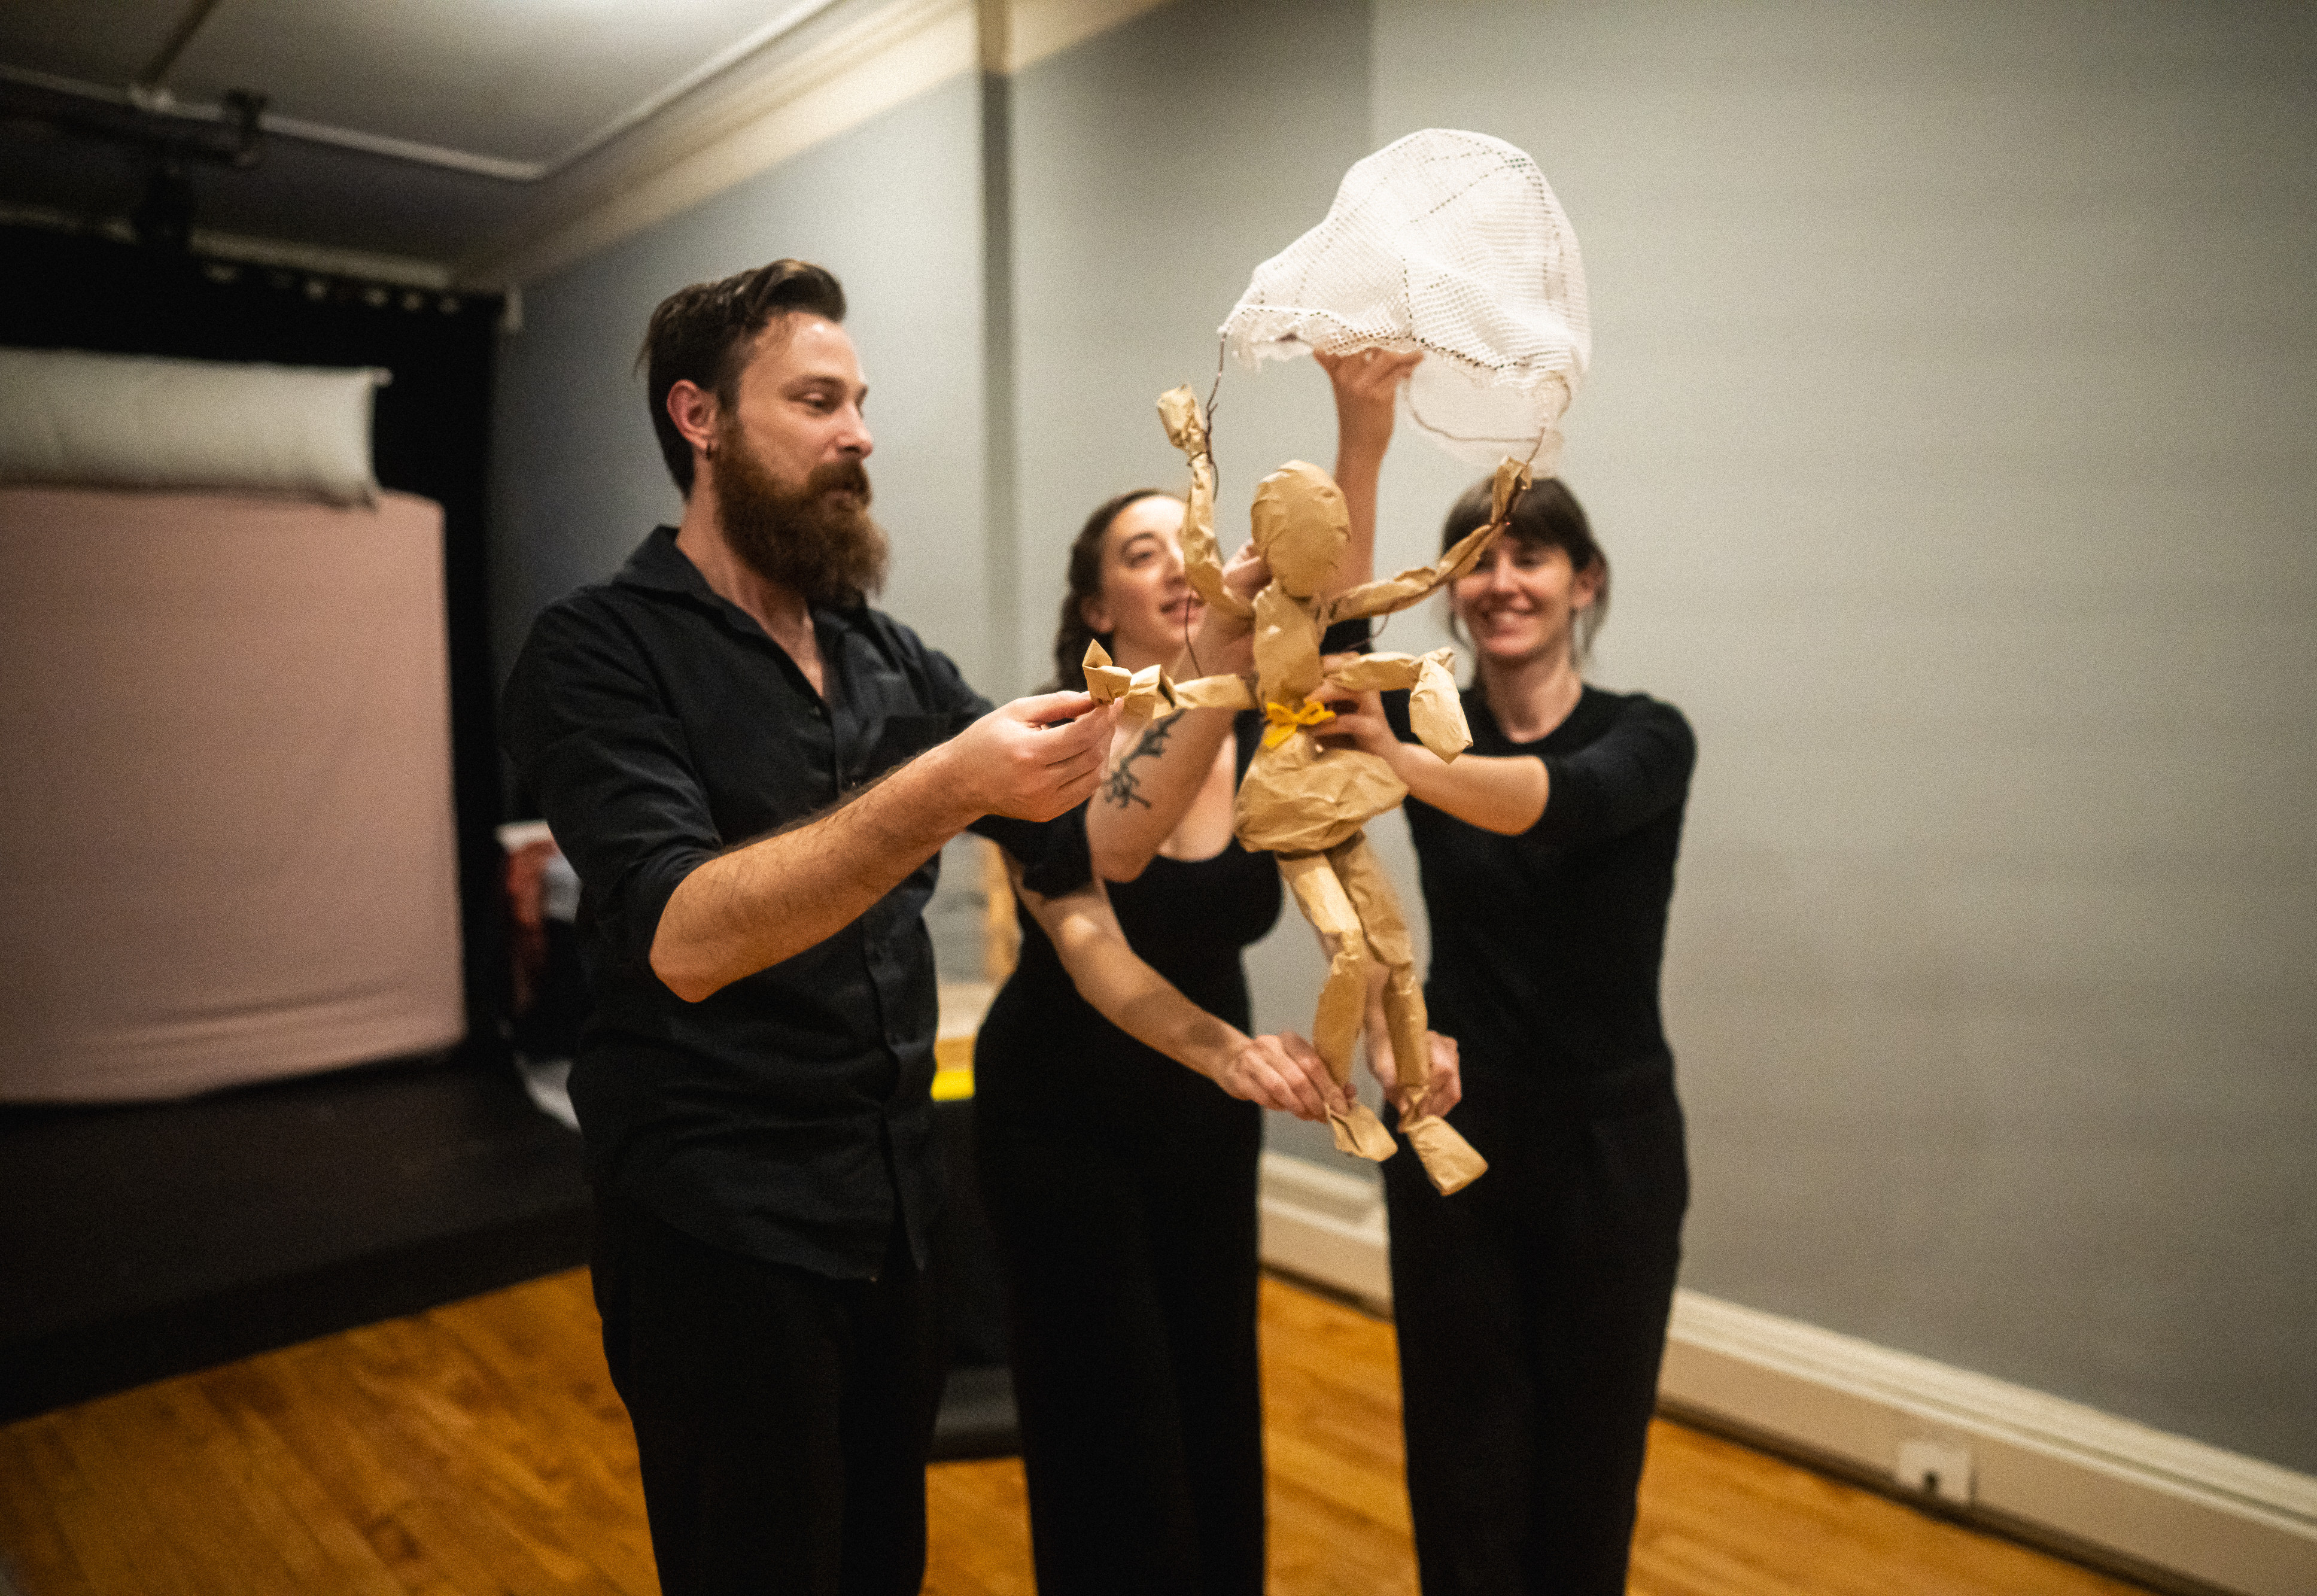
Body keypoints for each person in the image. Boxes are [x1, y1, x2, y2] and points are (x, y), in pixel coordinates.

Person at [500, 260, 1339, 1596]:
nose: (861, 435)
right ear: (698, 419)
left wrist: (1212, 1045)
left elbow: (1079, 887)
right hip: (720, 1229)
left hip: (892, 1219)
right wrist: (948, 781)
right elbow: (683, 935)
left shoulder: (887, 659)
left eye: (861, 401)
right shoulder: (598, 651)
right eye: (818, 400)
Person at [969, 349, 1419, 1596]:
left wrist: (1361, 428)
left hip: (1203, 1120)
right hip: (1059, 1119)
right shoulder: (1045, 749)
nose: (1174, 560)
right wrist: (1228, 1050)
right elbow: (1101, 915)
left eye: (1188, 539)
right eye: (1138, 549)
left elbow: (1332, 603)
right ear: (1094, 608)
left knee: (1215, 1406)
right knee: (1112, 1442)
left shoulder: (1257, 717)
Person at [1316, 463, 1696, 1596]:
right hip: (1457, 1134)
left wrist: (1399, 760)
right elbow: (1334, 636)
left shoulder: (1649, 737)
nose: (1500, 582)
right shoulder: (1431, 732)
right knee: (1462, 1462)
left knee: (1590, 1469)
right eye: (1476, 560)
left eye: (1528, 556)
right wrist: (1389, 1026)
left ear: (1586, 583)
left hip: (1612, 1149)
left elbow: (1555, 803)